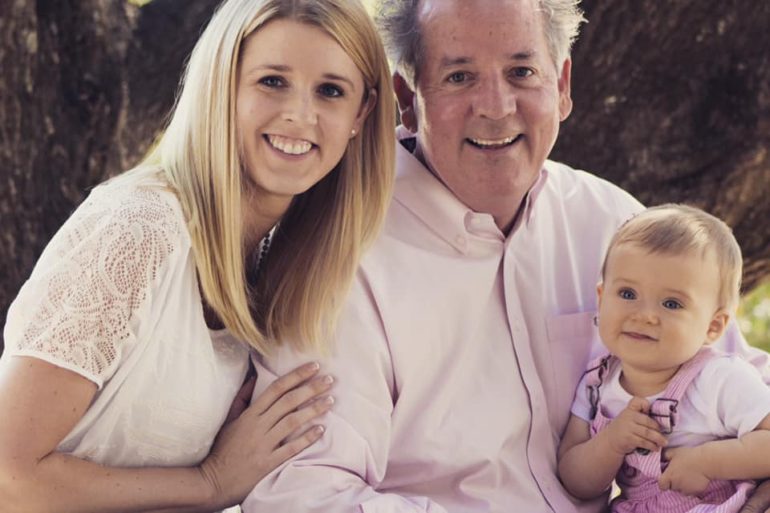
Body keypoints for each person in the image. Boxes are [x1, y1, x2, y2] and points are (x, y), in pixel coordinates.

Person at [241, 1, 770, 512]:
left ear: (561, 86)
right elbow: (303, 494)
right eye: (459, 77)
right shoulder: (336, 255)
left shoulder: (612, 221)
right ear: (407, 98)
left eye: (521, 72)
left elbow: (737, 378)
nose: (495, 107)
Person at [0, 0, 395, 511]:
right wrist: (210, 482)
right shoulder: (139, 229)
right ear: (221, 85)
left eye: (331, 91)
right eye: (272, 81)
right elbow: (9, 475)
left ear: (361, 113)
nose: (300, 115)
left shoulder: (274, 259)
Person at [558, 205, 770, 512]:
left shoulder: (718, 378)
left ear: (713, 326)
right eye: (628, 294)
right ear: (601, 300)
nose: (644, 315)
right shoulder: (596, 384)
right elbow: (573, 480)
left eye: (671, 303)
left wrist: (706, 461)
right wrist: (610, 443)